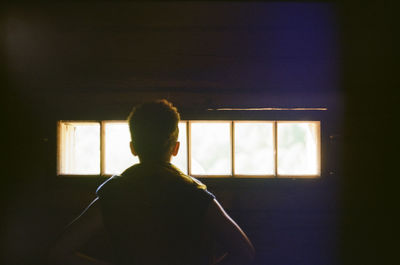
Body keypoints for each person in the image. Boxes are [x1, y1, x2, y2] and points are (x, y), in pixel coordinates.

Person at [48, 99, 255, 265]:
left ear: (133, 147)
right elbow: (245, 252)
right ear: (176, 148)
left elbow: (58, 252)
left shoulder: (115, 194)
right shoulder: (193, 194)